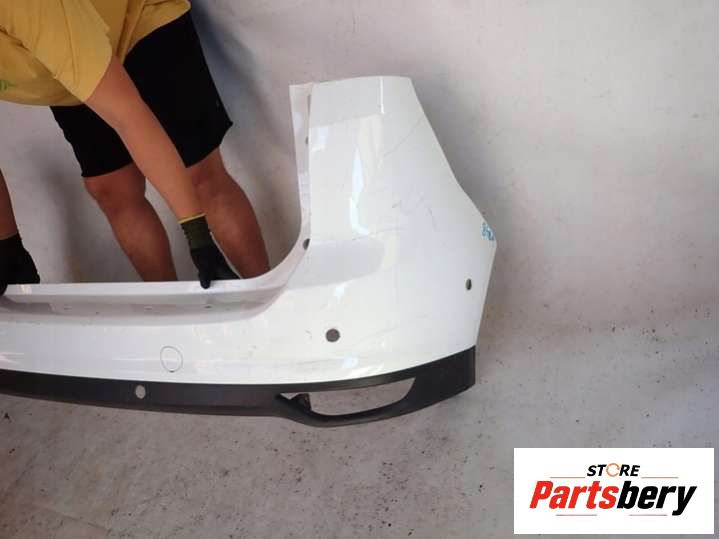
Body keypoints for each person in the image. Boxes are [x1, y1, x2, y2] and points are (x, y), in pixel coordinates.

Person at [0, 0, 270, 295]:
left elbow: (126, 114)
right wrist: (8, 246)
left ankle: (264, 295)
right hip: (61, 63)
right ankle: (168, 306)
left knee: (199, 174)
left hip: (137, 18)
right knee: (113, 189)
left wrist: (199, 240)